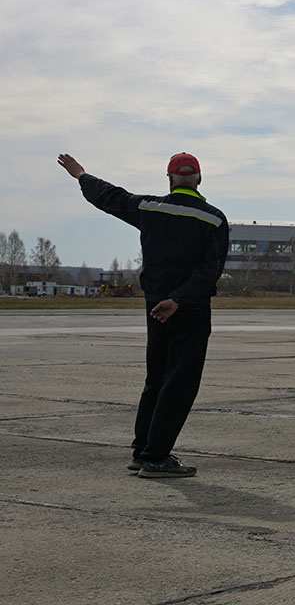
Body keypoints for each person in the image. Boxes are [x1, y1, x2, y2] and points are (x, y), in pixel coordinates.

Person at [57, 152, 228, 478]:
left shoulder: (151, 209)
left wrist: (81, 175)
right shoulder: (213, 219)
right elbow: (209, 271)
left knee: (156, 381)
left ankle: (142, 451)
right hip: (188, 310)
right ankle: (155, 457)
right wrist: (178, 299)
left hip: (155, 309)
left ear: (169, 180)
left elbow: (111, 197)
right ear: (200, 181)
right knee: (179, 384)